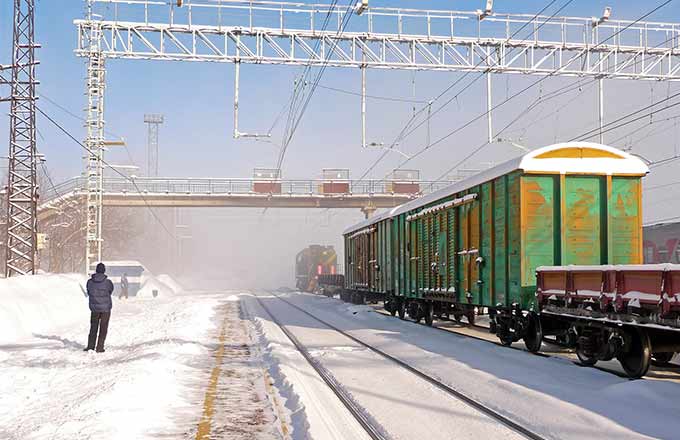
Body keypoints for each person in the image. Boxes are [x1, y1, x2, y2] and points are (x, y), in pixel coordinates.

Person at [84, 263, 114, 353]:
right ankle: (100, 347)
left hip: (94, 308)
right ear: (104, 270)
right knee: (103, 328)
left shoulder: (90, 282)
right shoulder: (108, 282)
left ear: (96, 270)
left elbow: (89, 291)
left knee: (93, 327)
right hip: (105, 309)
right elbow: (110, 291)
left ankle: (90, 346)